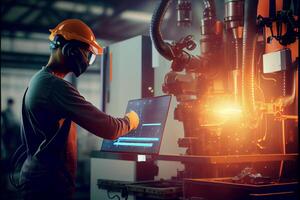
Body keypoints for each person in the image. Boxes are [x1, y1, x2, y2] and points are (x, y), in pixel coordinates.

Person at [18, 19, 139, 200]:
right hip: (48, 187)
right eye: (89, 55)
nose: (88, 62)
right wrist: (131, 120)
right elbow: (110, 128)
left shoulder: (40, 79)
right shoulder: (54, 86)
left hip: (39, 179)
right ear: (71, 51)